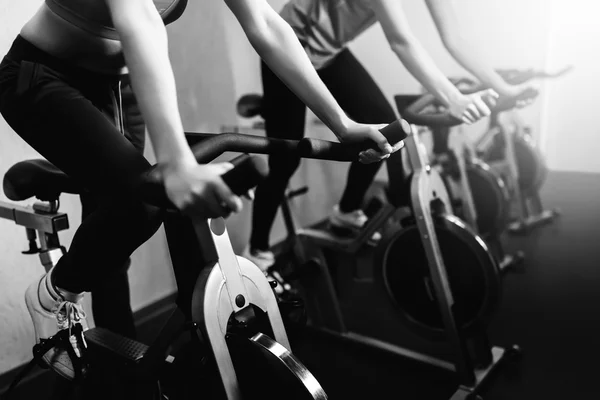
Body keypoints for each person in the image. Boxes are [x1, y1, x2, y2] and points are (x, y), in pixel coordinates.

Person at [0, 0, 402, 380]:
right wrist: (176, 163)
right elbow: (138, 19)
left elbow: (265, 24)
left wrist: (342, 124)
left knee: (113, 232)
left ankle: (115, 376)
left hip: (119, 91)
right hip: (42, 76)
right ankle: (53, 294)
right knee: (143, 204)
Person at [244, 0, 533, 271]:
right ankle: (256, 250)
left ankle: (346, 211)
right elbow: (401, 42)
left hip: (329, 54)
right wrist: (453, 98)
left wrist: (505, 90)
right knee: (285, 161)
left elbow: (454, 38)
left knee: (382, 128)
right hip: (288, 47)